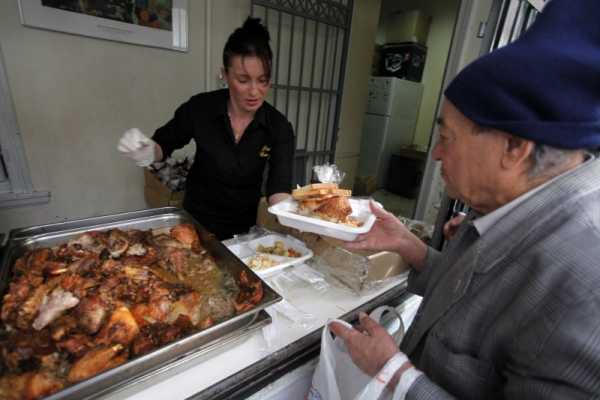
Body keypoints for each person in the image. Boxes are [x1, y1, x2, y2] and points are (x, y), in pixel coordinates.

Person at [330, 0, 600, 398]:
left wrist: (395, 374)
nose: (437, 154)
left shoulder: (584, 289)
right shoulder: (510, 205)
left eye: (446, 138)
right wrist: (409, 245)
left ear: (514, 147)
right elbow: (475, 299)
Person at [118, 17, 294, 240]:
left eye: (263, 80)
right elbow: (164, 143)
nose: (254, 91)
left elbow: (278, 189)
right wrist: (146, 151)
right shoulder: (200, 108)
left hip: (242, 234)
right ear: (225, 74)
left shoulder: (278, 126)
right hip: (194, 225)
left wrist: (297, 216)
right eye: (243, 80)